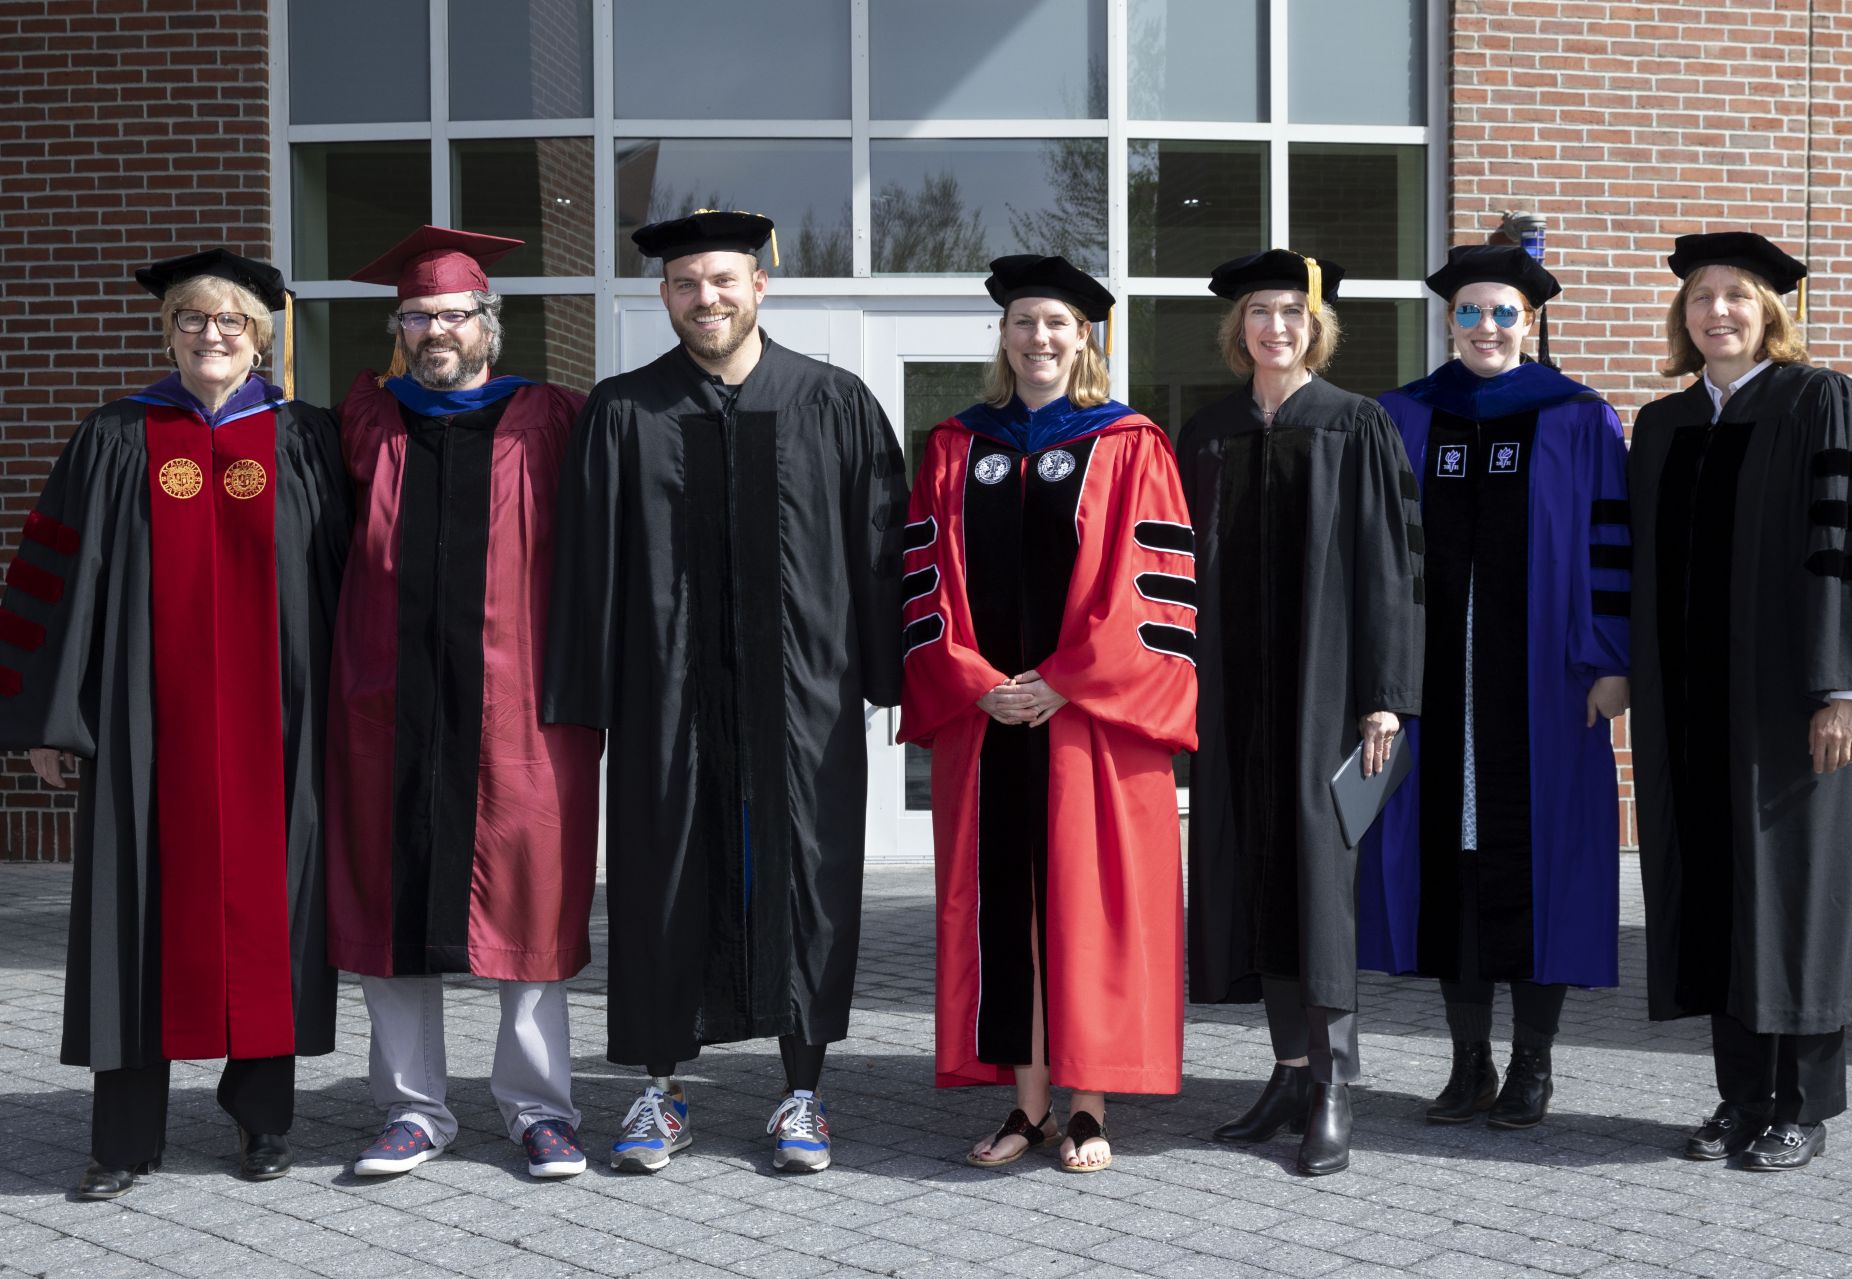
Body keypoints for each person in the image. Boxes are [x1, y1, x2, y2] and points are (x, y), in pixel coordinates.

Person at [542, 211, 906, 1175]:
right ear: (662, 296)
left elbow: (881, 553)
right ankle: (658, 1090)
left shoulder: (834, 402)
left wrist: (889, 675)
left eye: (722, 280)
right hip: (667, 696)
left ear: (760, 284)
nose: (705, 298)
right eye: (684, 284)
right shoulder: (622, 412)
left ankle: (802, 1093)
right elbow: (583, 567)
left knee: (807, 880)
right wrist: (586, 694)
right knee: (663, 874)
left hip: (803, 697)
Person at [0, 250, 349, 1198]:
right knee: (133, 910)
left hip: (283, 728)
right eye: (191, 320)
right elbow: (56, 578)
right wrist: (48, 715)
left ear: (261, 334)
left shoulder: (306, 438)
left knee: (274, 911)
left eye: (231, 320)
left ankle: (263, 1120)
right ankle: (122, 1137)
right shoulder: (116, 435)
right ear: (170, 334)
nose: (211, 335)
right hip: (139, 727)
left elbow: (350, 584)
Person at [898, 254, 1196, 1174]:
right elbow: (924, 583)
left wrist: (1068, 679)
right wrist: (974, 677)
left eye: (1056, 323)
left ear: (1084, 337)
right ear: (1003, 334)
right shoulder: (956, 446)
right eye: (1024, 322)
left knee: (1087, 902)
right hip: (987, 717)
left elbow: (1153, 591)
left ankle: (1088, 1105)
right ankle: (1025, 1105)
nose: (1039, 338)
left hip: (1087, 721)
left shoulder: (1130, 442)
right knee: (1008, 907)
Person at [1629, 231, 1852, 1170]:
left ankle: (1804, 1102)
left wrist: (1841, 691)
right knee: (1718, 894)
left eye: (1736, 296)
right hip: (1691, 708)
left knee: (1797, 894)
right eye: (1701, 296)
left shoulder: (1817, 400)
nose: (1716, 311)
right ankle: (1739, 1095)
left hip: (1791, 707)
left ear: (1770, 312)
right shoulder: (1664, 425)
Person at [326, 225, 601, 1181]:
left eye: (452, 315)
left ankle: (539, 1111)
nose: (435, 330)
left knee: (527, 905)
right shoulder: (363, 418)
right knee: (388, 900)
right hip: (382, 705)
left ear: (490, 322)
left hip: (519, 710)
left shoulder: (555, 417)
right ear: (399, 329)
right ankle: (411, 1110)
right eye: (418, 316)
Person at [1359, 243, 1630, 1131]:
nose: (1485, 326)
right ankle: (1467, 1060)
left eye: (1503, 311)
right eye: (1469, 311)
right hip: (1432, 696)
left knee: (1540, 868)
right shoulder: (1402, 417)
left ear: (1531, 320)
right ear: (1447, 320)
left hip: (1545, 690)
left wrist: (1608, 659)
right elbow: (1377, 561)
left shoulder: (1578, 419)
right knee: (1454, 870)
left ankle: (1533, 1066)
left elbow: (1611, 549)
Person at [1181, 249, 1423, 1177]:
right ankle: (1287, 1070)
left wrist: (1386, 698)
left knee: (1320, 891)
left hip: (1329, 698)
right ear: (1236, 329)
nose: (1273, 326)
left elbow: (1395, 571)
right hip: (1235, 698)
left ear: (1313, 325)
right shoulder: (1205, 433)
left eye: (1289, 311)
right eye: (1257, 311)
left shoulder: (1355, 425)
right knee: (1256, 880)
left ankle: (1334, 1085)